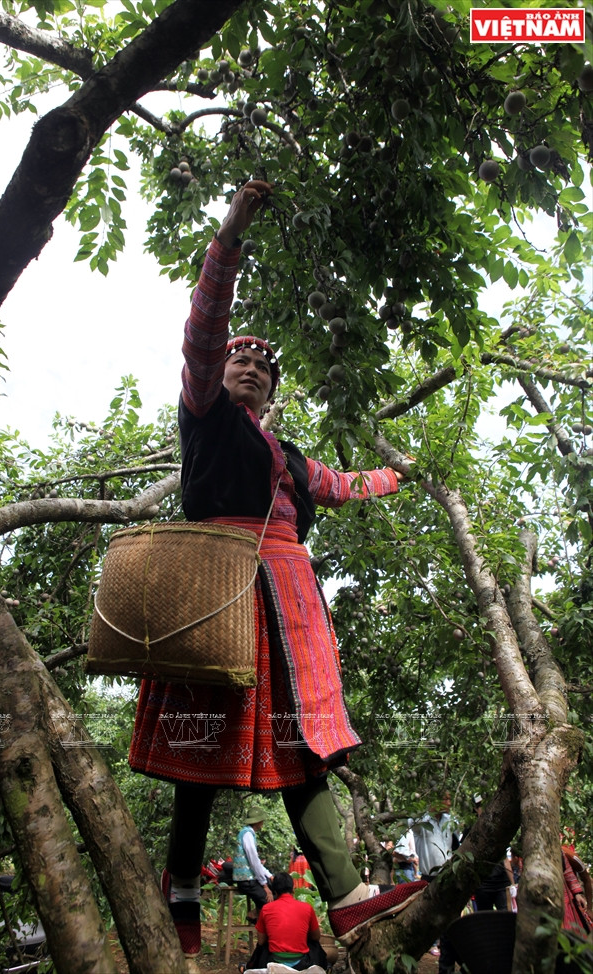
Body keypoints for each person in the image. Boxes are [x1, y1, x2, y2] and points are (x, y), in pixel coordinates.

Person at [128, 179, 426, 958]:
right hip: (215, 594)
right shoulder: (204, 418)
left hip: (290, 615)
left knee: (301, 748)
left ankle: (352, 899)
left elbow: (348, 485)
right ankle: (183, 894)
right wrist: (228, 235)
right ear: (218, 375)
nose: (250, 369)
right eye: (240, 361)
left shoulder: (289, 456)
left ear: (273, 389)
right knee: (198, 747)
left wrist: (412, 474)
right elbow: (202, 331)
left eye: (263, 367)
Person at [411, 792, 460, 973]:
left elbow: (455, 846)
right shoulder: (422, 823)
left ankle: (446, 968)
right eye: (445, 798)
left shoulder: (450, 821)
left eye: (449, 798)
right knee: (426, 923)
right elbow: (412, 823)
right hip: (429, 879)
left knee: (450, 925)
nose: (448, 802)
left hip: (448, 877)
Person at [246, 871, 326, 972]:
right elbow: (316, 937)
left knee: (262, 946)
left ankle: (249, 966)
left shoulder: (266, 909)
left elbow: (261, 941)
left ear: (274, 891)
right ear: (293, 888)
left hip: (274, 960)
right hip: (301, 963)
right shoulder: (307, 908)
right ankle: (326, 968)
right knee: (314, 944)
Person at [233, 806, 274, 914]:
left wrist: (269, 875)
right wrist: (265, 885)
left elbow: (256, 862)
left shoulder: (249, 833)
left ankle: (254, 915)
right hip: (247, 881)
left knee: (274, 888)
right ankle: (256, 916)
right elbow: (254, 861)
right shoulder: (247, 834)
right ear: (258, 821)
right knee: (269, 903)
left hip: (250, 880)